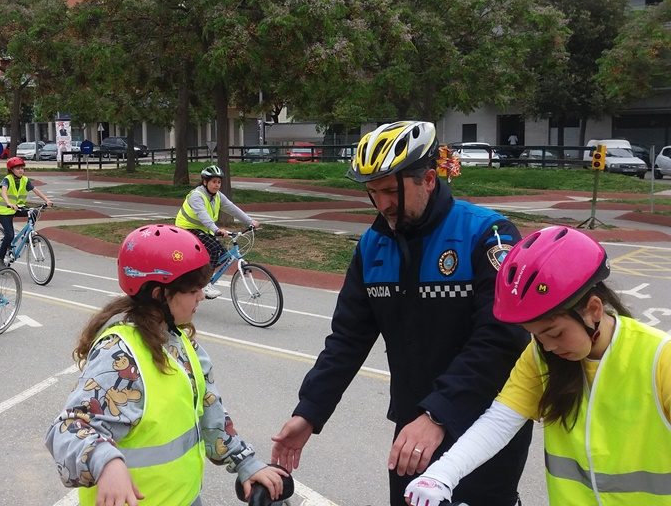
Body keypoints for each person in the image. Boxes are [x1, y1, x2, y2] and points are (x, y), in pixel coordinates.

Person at [271, 120, 532, 506]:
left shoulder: (487, 234)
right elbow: (347, 339)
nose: (382, 204)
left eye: (391, 191)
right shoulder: (372, 246)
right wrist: (309, 411)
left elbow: (502, 338)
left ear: (428, 179)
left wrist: (439, 414)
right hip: (414, 425)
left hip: (483, 424)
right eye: (373, 192)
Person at [406, 226, 671, 506]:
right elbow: (499, 421)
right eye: (536, 335)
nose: (548, 346)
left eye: (555, 333)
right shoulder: (541, 356)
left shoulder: (659, 358)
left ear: (594, 310)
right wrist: (440, 474)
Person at [45, 224, 288, 505]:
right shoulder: (119, 355)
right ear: (160, 294)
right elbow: (69, 428)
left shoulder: (181, 343)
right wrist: (106, 462)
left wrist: (245, 462)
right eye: (193, 290)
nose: (201, 296)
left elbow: (210, 411)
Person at [174, 165, 260, 299]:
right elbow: (203, 216)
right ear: (205, 182)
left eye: (219, 182)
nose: (217, 185)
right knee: (213, 249)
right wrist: (217, 230)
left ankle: (198, 275)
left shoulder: (218, 196)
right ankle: (205, 283)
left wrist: (250, 221)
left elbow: (232, 208)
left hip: (203, 230)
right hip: (185, 229)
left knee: (222, 253)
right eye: (214, 182)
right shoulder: (196, 196)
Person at [0, 157, 52, 265]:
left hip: (17, 207)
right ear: (11, 170)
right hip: (4, 210)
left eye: (22, 168)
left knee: (34, 212)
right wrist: (8, 203)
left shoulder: (25, 180)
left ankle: (27, 236)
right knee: (9, 235)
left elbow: (35, 190)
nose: (21, 170)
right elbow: (3, 191)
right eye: (18, 168)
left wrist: (46, 200)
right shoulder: (7, 180)